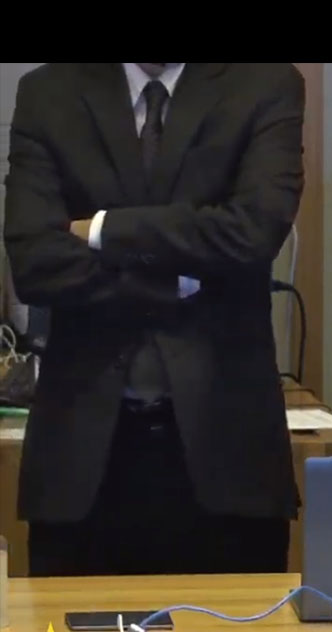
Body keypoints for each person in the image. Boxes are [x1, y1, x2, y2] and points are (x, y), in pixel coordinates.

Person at [3, 63, 304, 576]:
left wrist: (102, 230)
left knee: (238, 631)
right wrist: (175, 278)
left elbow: (252, 234)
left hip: (226, 457)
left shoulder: (264, 85)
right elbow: (35, 260)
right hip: (82, 465)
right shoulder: (48, 93)